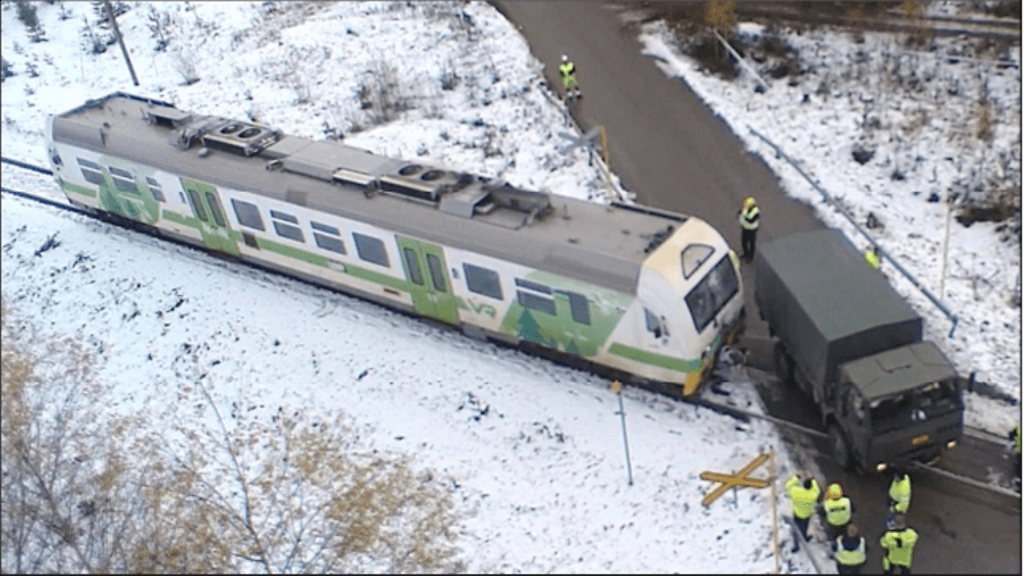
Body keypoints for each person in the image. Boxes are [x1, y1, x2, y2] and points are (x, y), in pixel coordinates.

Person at [785, 470, 821, 551]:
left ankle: (796, 545)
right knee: (805, 528)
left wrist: (795, 478)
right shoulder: (813, 494)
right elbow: (816, 489)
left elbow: (788, 486)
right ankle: (805, 537)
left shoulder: (796, 492)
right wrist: (813, 481)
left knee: (795, 531)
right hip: (807, 515)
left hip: (798, 515)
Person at [737, 196, 760, 262]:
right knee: (744, 242)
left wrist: (743, 217)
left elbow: (750, 220)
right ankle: (746, 254)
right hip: (745, 228)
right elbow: (743, 213)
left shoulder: (756, 211)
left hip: (752, 230)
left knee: (751, 243)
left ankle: (750, 257)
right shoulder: (746, 208)